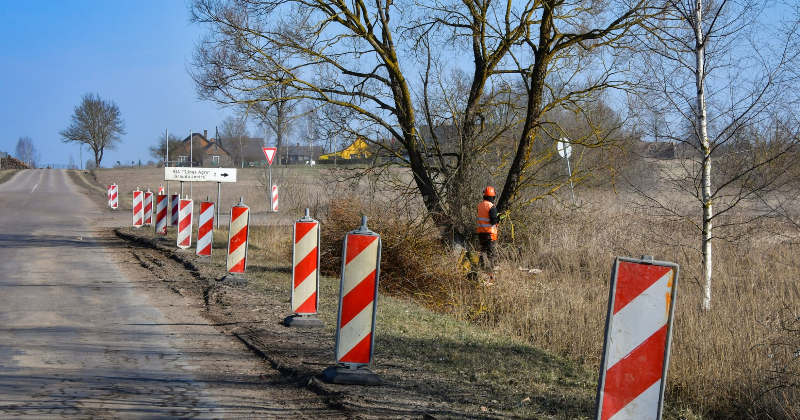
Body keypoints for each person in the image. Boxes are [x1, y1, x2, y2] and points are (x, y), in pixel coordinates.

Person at [477, 186, 499, 278]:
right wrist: (498, 218)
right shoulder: (492, 207)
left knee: (482, 252)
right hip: (490, 234)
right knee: (491, 254)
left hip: (480, 233)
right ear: (493, 196)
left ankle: (480, 270)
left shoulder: (480, 205)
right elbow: (493, 221)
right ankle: (491, 274)